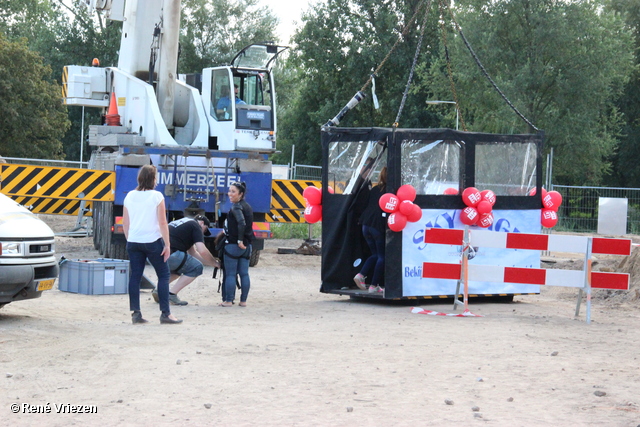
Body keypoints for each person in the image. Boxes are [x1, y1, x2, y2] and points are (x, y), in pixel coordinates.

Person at [123, 165, 182, 324]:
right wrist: (167, 244)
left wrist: (130, 239)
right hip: (152, 241)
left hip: (134, 241)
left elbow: (125, 223)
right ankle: (165, 314)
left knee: (135, 277)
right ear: (153, 179)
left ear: (139, 178)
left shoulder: (129, 196)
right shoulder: (157, 196)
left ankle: (136, 313)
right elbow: (163, 222)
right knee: (163, 275)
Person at [151, 214, 220, 305]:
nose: (202, 233)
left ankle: (158, 290)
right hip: (169, 254)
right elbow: (202, 250)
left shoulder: (182, 224)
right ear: (202, 223)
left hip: (153, 255)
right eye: (205, 230)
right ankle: (172, 295)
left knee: (180, 269)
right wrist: (214, 262)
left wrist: (212, 264)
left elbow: (193, 253)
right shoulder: (196, 226)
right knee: (197, 267)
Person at [354, 166, 388, 293]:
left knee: (375, 254)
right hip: (377, 226)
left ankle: (360, 275)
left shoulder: (374, 189)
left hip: (366, 224)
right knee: (382, 257)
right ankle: (374, 285)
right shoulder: (390, 191)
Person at [219, 182, 254, 307]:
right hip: (247, 246)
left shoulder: (236, 207)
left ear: (241, 194)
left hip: (234, 245)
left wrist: (239, 240)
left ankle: (228, 300)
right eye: (229, 191)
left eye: (233, 192)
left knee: (230, 274)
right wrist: (244, 241)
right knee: (244, 273)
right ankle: (243, 301)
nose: (230, 194)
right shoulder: (248, 207)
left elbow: (241, 223)